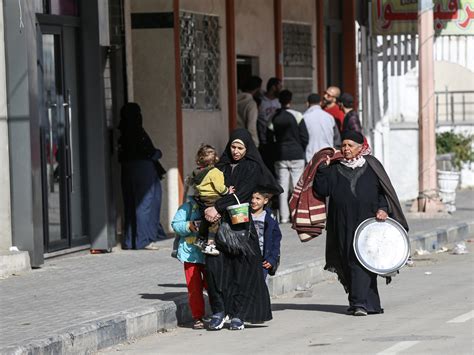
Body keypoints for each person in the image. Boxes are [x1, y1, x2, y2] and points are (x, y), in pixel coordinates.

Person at [313, 130, 408, 316]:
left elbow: (384, 193)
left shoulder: (372, 166)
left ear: (360, 147)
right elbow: (322, 189)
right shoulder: (334, 168)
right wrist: (322, 169)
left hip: (368, 222)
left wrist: (382, 209)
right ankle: (368, 303)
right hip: (341, 222)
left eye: (350, 145)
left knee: (363, 260)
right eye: (343, 145)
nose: (346, 149)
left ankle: (359, 304)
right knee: (347, 259)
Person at [203, 128, 283, 331]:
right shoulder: (220, 166)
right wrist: (210, 206)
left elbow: (245, 192)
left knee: (242, 271)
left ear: (247, 149)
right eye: (233, 146)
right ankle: (219, 311)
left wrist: (218, 206)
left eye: (240, 147)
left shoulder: (251, 167)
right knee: (215, 270)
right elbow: (209, 189)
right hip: (218, 227)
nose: (236, 151)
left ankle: (238, 314)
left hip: (241, 228)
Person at [118, 102, 167, 250]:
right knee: (145, 204)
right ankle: (143, 240)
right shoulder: (138, 133)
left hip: (129, 170)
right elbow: (149, 152)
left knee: (132, 204)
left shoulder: (123, 132)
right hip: (143, 170)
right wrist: (157, 153)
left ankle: (130, 240)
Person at [267, 89, 308, 223]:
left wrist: (274, 152)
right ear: (290, 100)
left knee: (282, 187)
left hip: (280, 155)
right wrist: (300, 149)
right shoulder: (297, 115)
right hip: (296, 154)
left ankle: (284, 217)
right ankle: (297, 216)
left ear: (279, 100)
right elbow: (305, 137)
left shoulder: (274, 117)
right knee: (297, 186)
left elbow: (268, 138)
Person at [191, 144, 234, 256]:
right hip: (213, 198)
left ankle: (200, 239)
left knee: (206, 219)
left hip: (203, 198)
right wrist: (227, 191)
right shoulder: (215, 172)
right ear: (215, 158)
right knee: (214, 221)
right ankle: (210, 244)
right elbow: (220, 187)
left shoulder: (196, 172)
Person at [171, 197, 207, 330]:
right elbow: (175, 224)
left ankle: (219, 312)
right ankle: (198, 317)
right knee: (194, 287)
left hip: (210, 254)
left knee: (213, 284)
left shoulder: (217, 204)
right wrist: (188, 226)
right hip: (190, 254)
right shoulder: (187, 207)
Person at [251, 191, 282, 279]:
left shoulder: (270, 217)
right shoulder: (245, 215)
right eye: (252, 198)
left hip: (263, 262)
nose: (253, 201)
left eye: (258, 198)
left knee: (261, 288)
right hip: (247, 261)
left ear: (265, 200)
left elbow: (276, 240)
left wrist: (272, 258)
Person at [303, 93, 339, 162]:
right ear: (320, 103)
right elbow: (336, 139)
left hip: (310, 156)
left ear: (307, 103)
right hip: (328, 156)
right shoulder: (330, 117)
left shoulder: (304, 118)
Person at [257, 77, 282, 175]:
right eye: (279, 86)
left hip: (276, 139)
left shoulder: (279, 101)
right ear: (273, 87)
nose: (281, 89)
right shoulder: (261, 102)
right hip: (264, 138)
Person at [237, 76, 262, 146]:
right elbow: (251, 127)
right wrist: (255, 143)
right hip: (244, 140)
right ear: (257, 89)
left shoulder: (233, 99)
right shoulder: (251, 104)